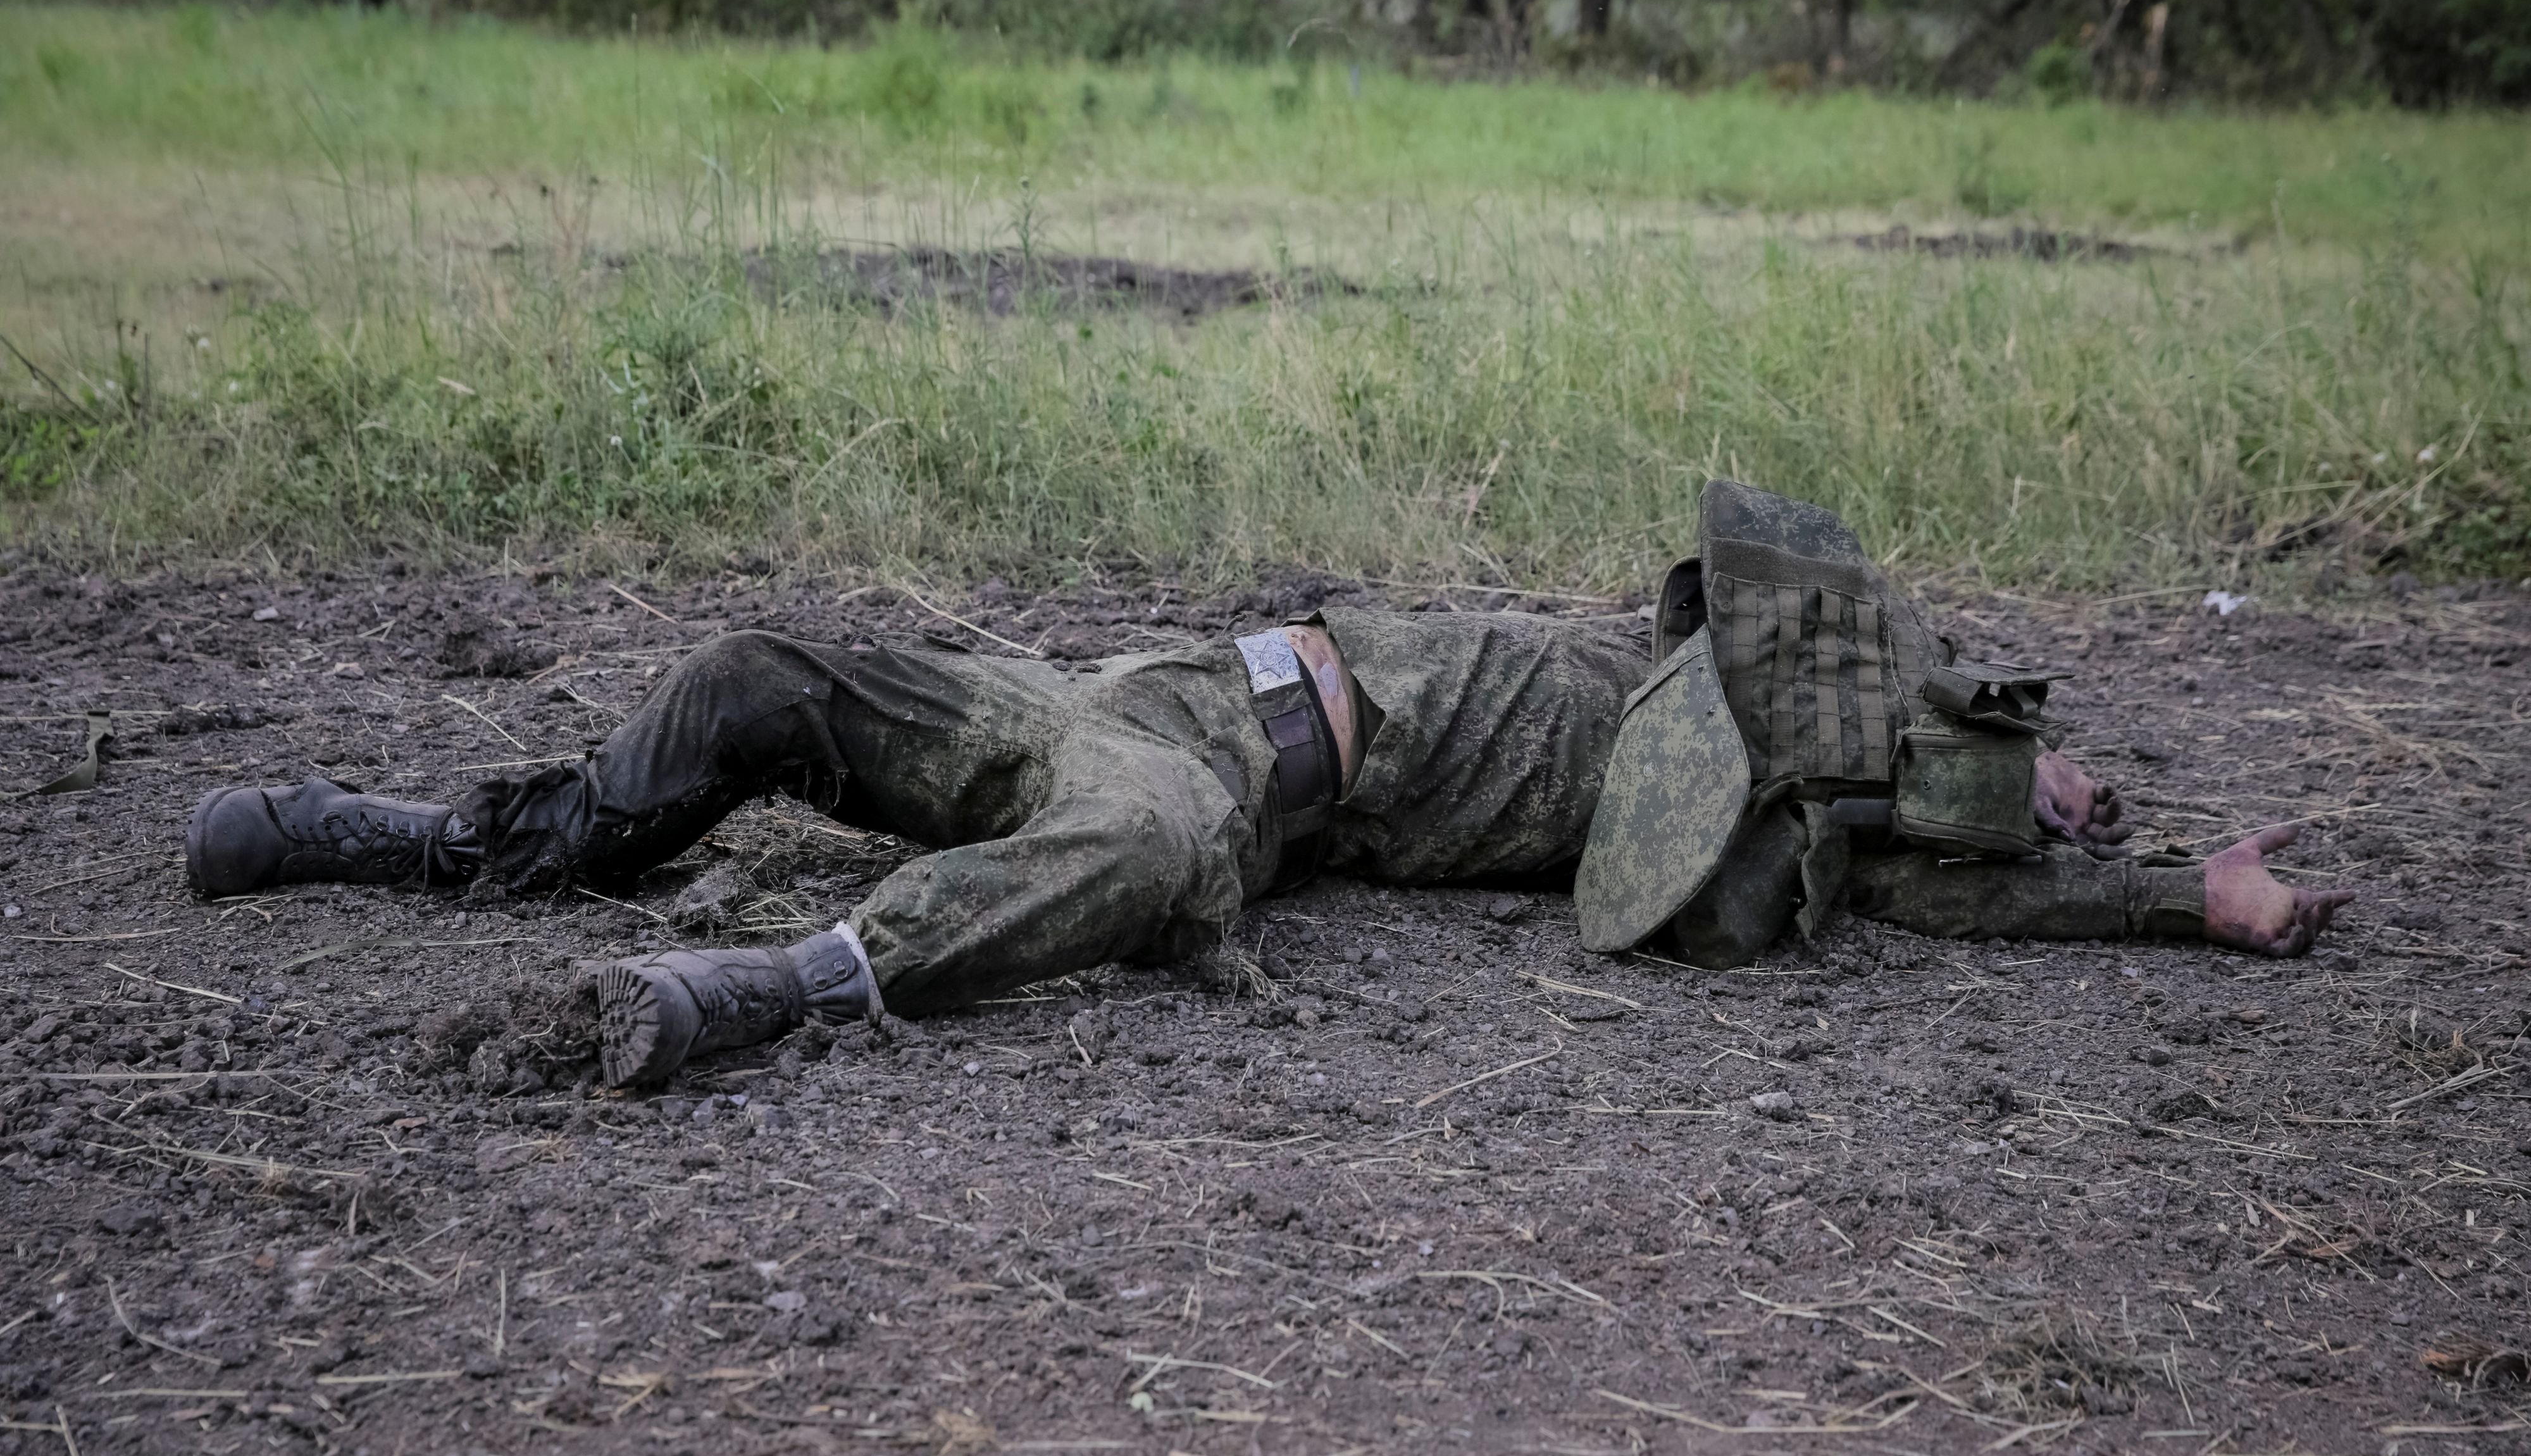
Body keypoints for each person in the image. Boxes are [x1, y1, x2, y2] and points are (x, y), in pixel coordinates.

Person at [182, 484, 2354, 1086]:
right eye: (2009, 730)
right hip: (1114, 676)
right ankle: (422, 838)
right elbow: (1846, 634)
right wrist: (2025, 749)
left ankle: (780, 981)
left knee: (1131, 851)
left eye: (1984, 735)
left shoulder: (1765, 796)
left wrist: (2170, 889)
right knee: (763, 669)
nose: (2011, 744)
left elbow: (1961, 876)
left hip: (1224, 782)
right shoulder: (1674, 647)